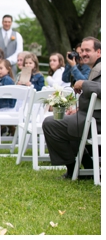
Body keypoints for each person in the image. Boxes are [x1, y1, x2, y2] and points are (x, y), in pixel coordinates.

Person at [42, 37, 101, 179]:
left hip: (96, 122)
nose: (83, 54)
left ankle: (73, 168)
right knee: (64, 121)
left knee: (51, 124)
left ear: (99, 52)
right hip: (87, 117)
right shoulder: (94, 68)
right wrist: (79, 109)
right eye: (82, 51)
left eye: (88, 50)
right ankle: (87, 166)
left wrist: (83, 83)